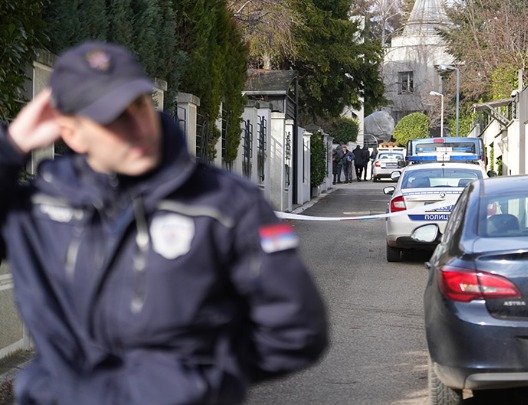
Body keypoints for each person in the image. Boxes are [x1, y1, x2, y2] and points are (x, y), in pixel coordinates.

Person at [0, 41, 327, 405]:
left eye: (139, 104)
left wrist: (199, 381)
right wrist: (10, 148)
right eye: (112, 118)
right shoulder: (42, 206)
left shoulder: (223, 203)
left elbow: (297, 329)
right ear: (72, 133)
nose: (137, 126)